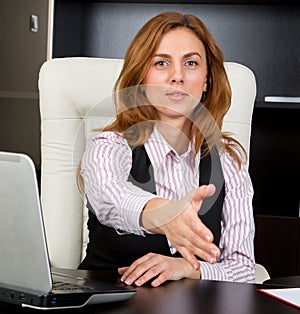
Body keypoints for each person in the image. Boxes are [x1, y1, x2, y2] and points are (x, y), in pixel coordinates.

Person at [77, 11, 255, 287]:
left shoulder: (229, 161)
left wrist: (189, 268)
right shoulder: (109, 146)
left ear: (207, 80)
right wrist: (161, 215)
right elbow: (108, 196)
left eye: (191, 63)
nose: (177, 76)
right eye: (161, 63)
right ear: (142, 77)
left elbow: (244, 271)